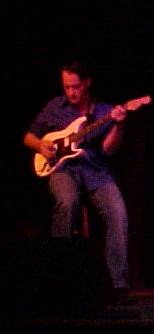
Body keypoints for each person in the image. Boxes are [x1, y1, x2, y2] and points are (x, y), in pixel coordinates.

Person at [23, 60, 130, 304]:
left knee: (118, 213)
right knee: (67, 202)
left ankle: (119, 286)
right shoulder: (55, 107)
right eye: (67, 87)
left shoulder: (104, 111)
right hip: (63, 169)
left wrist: (119, 126)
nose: (71, 92)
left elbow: (108, 149)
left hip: (96, 171)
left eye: (76, 87)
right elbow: (28, 136)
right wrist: (41, 145)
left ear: (87, 83)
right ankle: (58, 280)